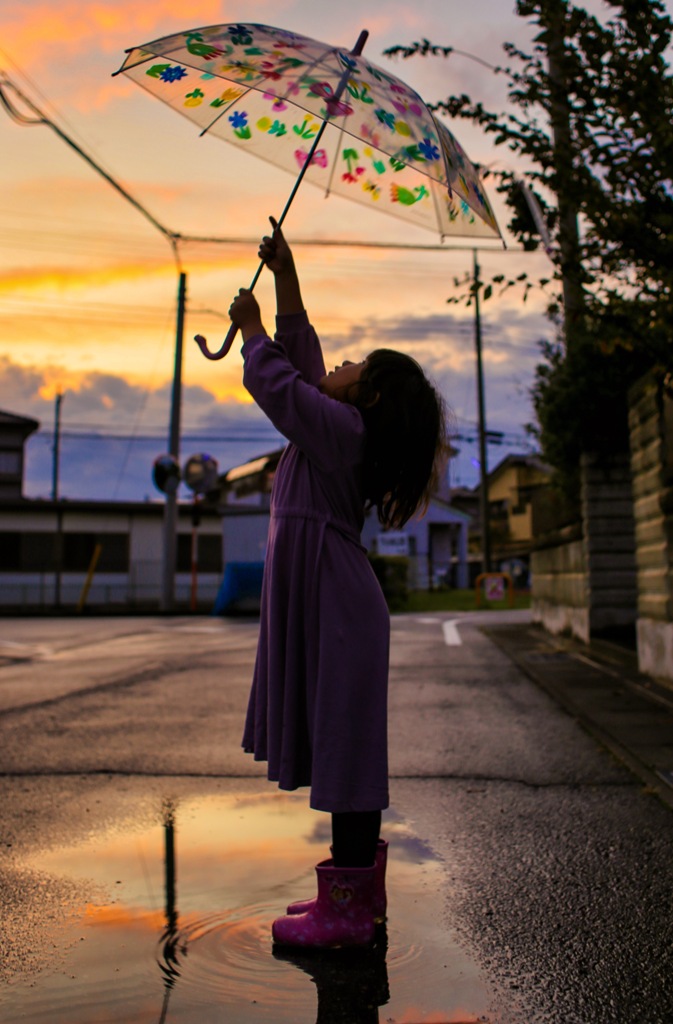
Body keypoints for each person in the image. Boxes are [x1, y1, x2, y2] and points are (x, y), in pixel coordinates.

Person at [228, 218, 447, 949]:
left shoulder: (339, 434)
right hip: (333, 598)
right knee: (341, 745)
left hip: (339, 605)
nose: (341, 361)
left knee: (348, 753)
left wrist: (252, 331)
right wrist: (286, 275)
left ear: (369, 402)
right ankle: (356, 901)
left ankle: (347, 915)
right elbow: (305, 359)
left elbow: (282, 382)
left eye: (356, 365)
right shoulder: (341, 426)